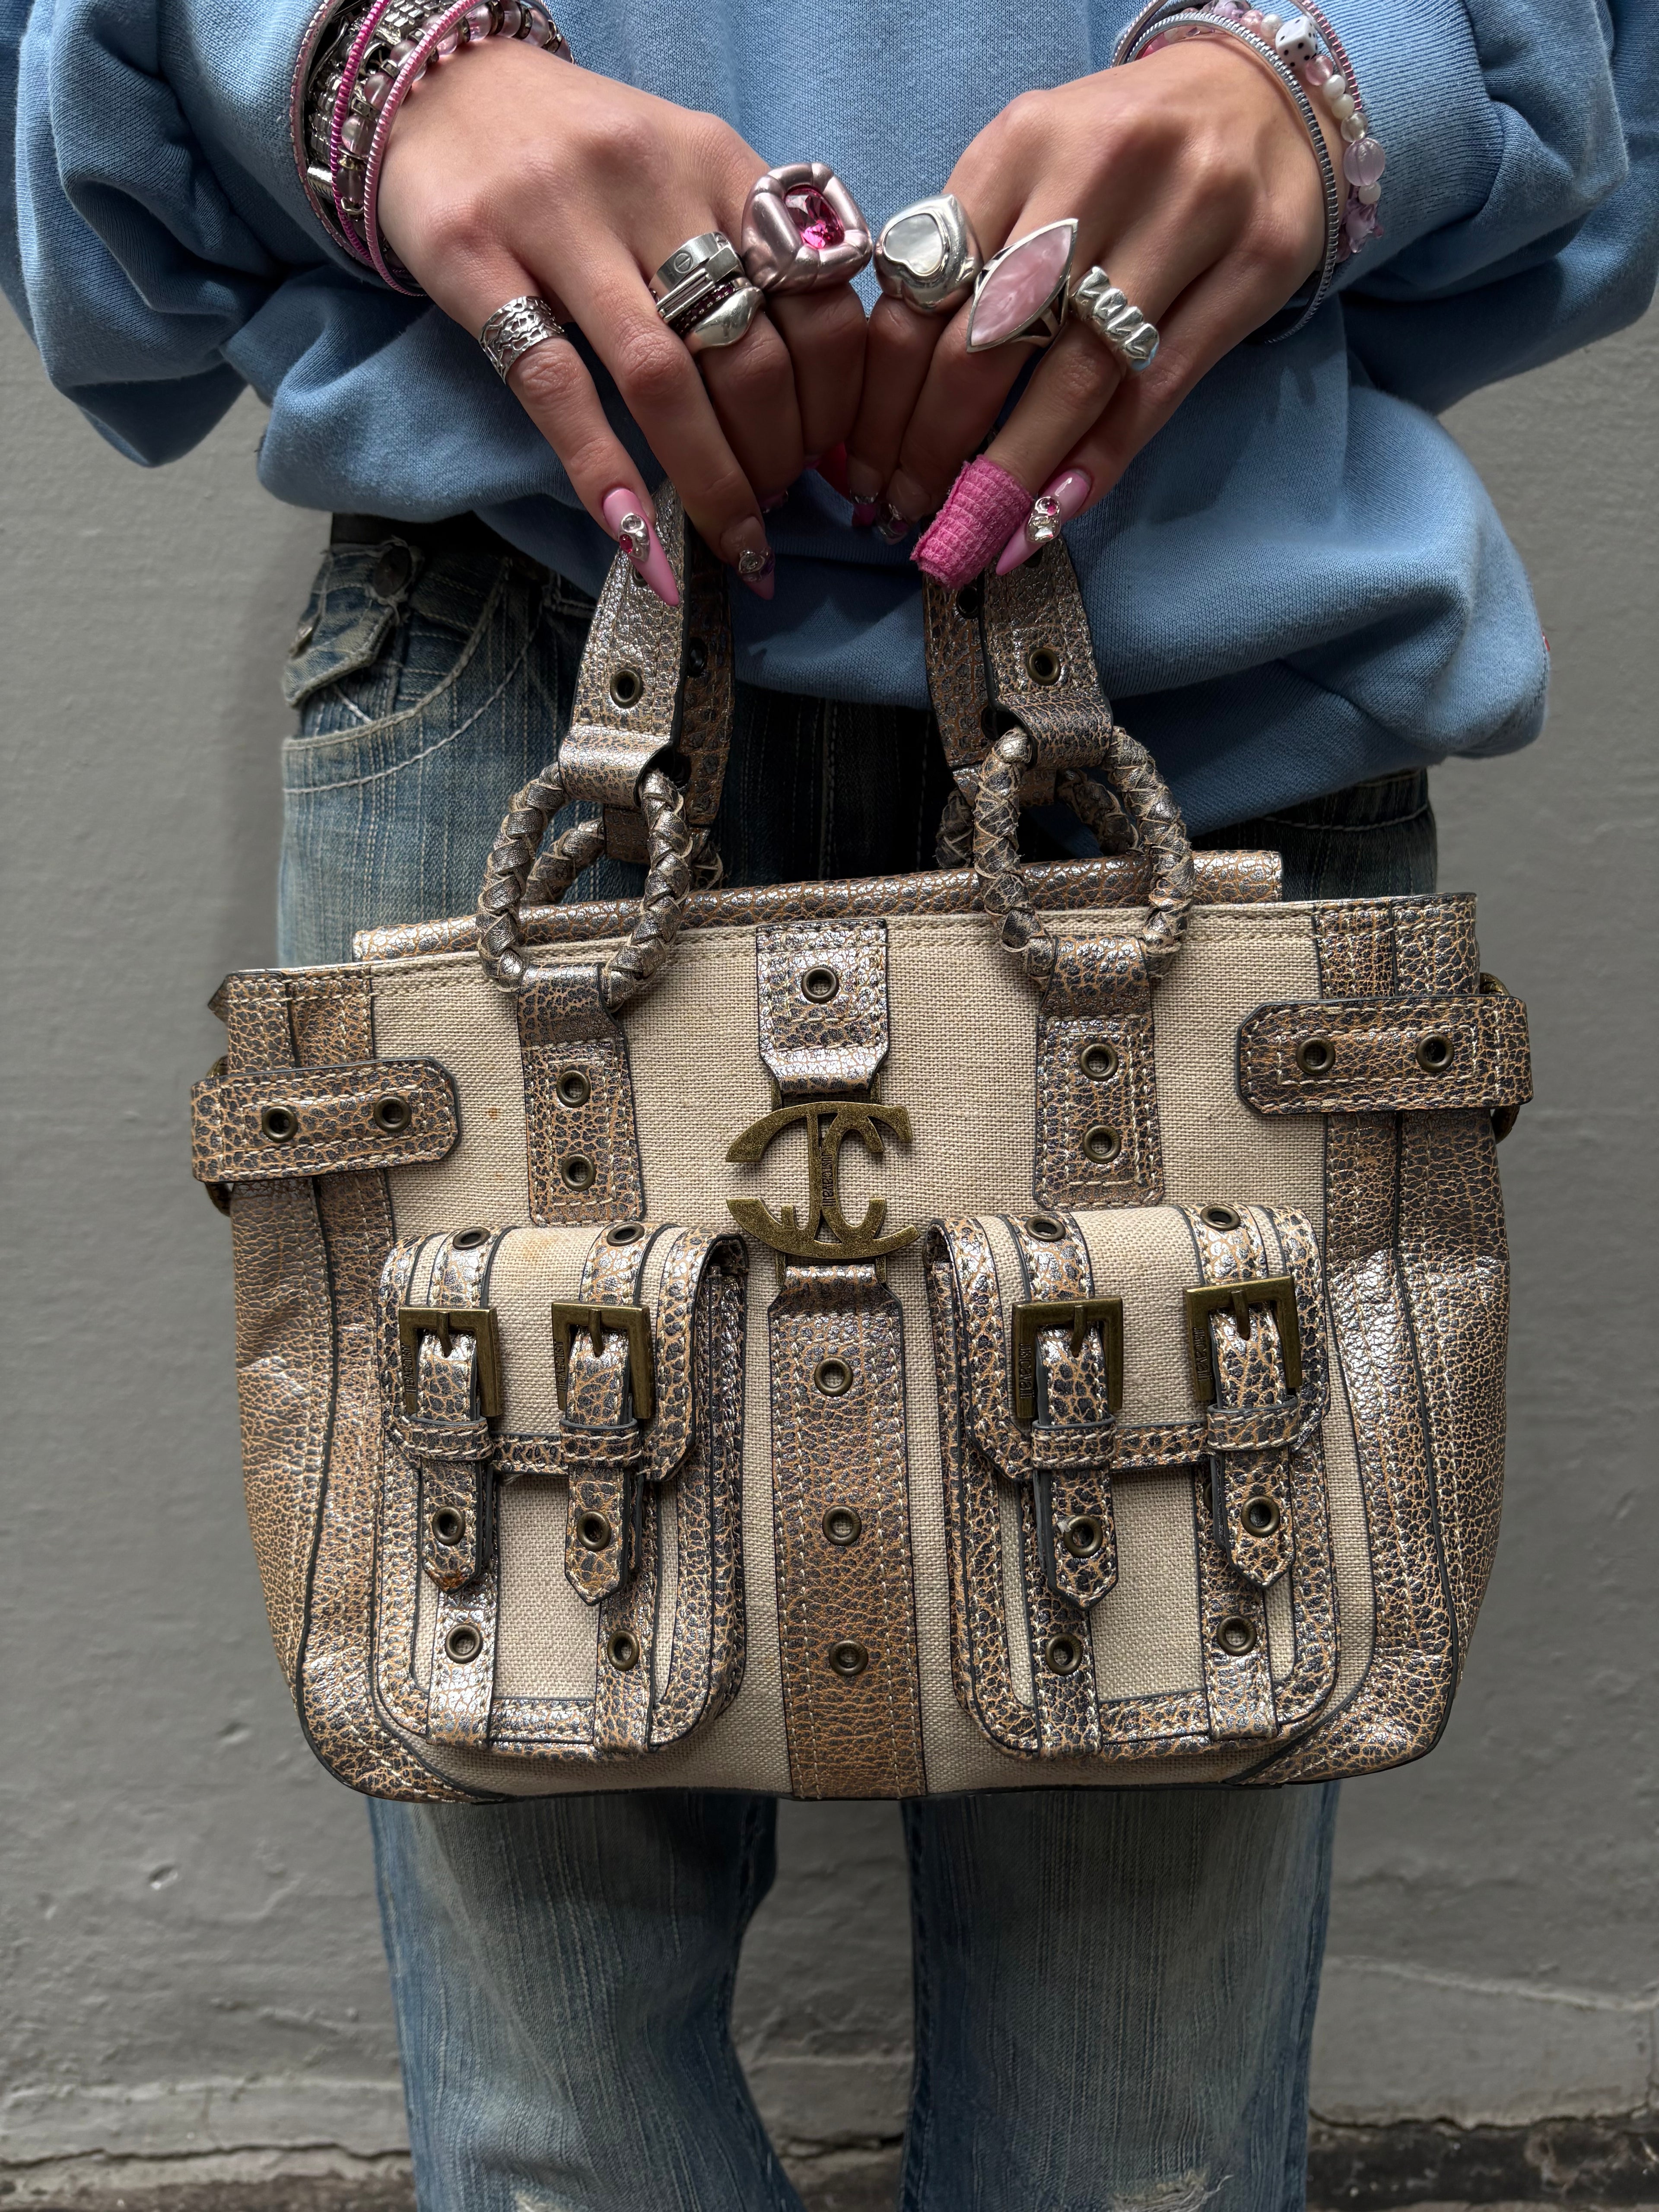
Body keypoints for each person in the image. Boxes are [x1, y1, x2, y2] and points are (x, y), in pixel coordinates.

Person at [5, 0, 1653, 2202]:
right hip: (529, 606)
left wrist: (1323, 67)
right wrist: (370, 62)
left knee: (1136, 2140)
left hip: (1190, 656)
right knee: (560, 2130)